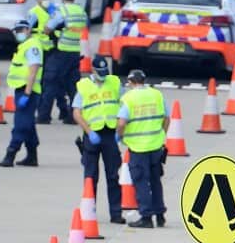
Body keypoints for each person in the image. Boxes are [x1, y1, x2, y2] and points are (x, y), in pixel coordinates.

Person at [72, 56, 124, 224]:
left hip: (110, 134)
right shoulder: (83, 86)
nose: (103, 75)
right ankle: (89, 212)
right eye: (99, 72)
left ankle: (116, 213)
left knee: (113, 176)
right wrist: (88, 131)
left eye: (104, 72)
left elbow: (124, 105)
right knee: (90, 176)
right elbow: (77, 113)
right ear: (92, 70)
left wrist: (120, 131)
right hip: (92, 135)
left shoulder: (114, 82)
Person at [115, 69, 169, 228]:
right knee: (155, 181)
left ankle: (146, 217)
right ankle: (160, 215)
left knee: (141, 182)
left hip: (138, 147)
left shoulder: (128, 98)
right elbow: (166, 118)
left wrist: (120, 136)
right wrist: (161, 135)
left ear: (131, 82)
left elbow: (121, 123)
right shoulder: (156, 95)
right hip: (156, 145)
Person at [38, 0, 86, 125]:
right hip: (75, 52)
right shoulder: (81, 11)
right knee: (72, 86)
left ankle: (43, 116)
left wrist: (53, 31)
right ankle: (72, 116)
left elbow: (48, 28)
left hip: (60, 51)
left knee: (50, 83)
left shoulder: (62, 10)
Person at [0, 17, 44, 168]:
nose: (18, 33)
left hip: (28, 91)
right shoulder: (25, 45)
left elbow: (33, 70)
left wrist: (27, 93)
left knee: (21, 124)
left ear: (28, 30)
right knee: (28, 124)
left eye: (21, 30)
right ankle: (32, 156)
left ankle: (10, 153)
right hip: (23, 90)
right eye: (16, 31)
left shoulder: (32, 46)